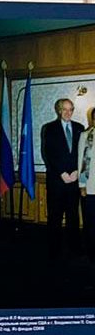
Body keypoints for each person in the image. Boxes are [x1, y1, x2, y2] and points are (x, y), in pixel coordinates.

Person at [41, 98, 85, 257]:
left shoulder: (80, 128)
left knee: (73, 216)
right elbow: (47, 153)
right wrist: (61, 173)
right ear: (59, 110)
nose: (68, 112)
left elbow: (83, 153)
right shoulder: (49, 128)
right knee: (55, 216)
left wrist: (77, 171)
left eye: (70, 109)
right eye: (65, 109)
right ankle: (54, 250)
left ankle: (74, 248)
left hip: (74, 180)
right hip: (57, 181)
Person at [77, 107, 95, 256]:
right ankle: (91, 251)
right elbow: (81, 162)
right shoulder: (85, 136)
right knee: (90, 222)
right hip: (90, 187)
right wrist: (82, 185)